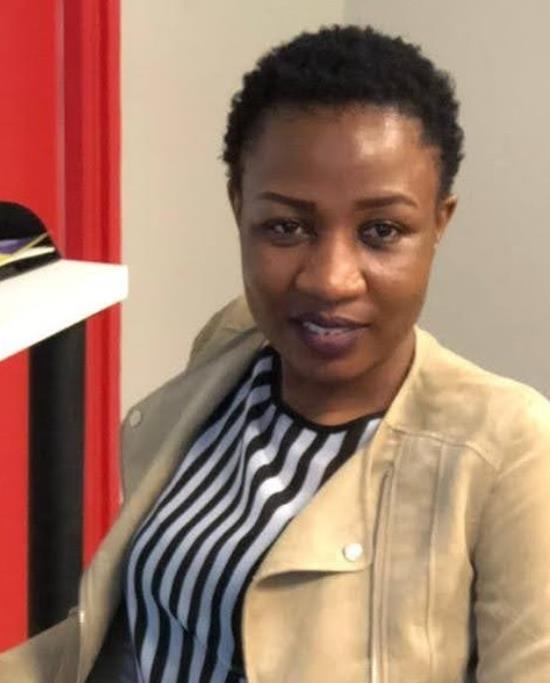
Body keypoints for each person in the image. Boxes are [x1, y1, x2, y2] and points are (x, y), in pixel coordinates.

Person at [2, 24, 549, 683]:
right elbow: (127, 633)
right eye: (287, 227)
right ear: (240, 208)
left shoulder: (508, 449)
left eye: (381, 231)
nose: (330, 279)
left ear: (438, 223)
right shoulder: (231, 352)